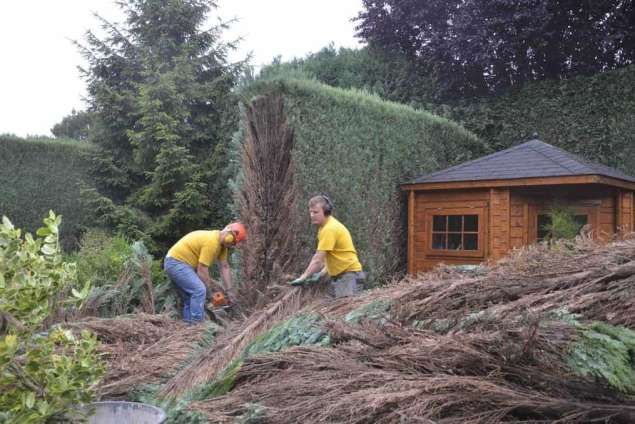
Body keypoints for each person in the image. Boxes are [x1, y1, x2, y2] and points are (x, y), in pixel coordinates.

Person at [164, 222, 247, 323]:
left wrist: (230, 291)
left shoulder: (222, 246)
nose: (230, 244)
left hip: (175, 262)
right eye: (231, 241)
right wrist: (209, 293)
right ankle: (198, 328)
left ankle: (189, 329)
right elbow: (202, 270)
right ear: (228, 233)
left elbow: (224, 267)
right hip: (176, 262)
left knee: (189, 299)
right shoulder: (212, 242)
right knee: (199, 290)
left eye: (233, 243)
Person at [290, 194, 364, 298]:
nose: (312, 215)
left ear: (326, 211)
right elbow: (332, 256)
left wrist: (303, 277)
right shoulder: (324, 227)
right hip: (341, 276)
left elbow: (318, 259)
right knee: (331, 308)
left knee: (342, 310)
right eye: (310, 212)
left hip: (349, 276)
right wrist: (321, 273)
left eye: (315, 212)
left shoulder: (329, 229)